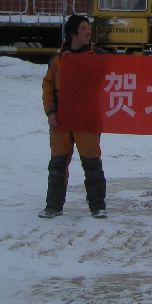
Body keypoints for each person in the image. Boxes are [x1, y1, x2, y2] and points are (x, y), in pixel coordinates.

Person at [38, 14, 107, 219]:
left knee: (92, 165)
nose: (88, 32)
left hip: (87, 121)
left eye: (89, 28)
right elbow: (47, 86)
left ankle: (97, 206)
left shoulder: (99, 57)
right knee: (58, 165)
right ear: (73, 33)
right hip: (61, 121)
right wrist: (50, 112)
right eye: (84, 28)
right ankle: (53, 206)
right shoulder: (58, 60)